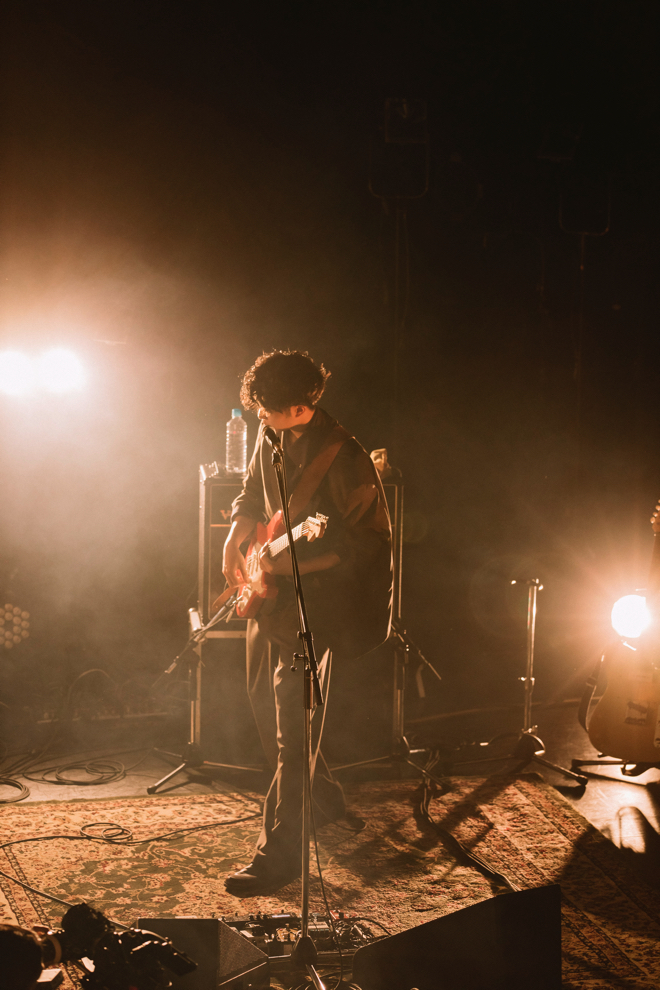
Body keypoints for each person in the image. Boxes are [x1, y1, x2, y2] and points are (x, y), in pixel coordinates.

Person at [222, 349, 392, 896]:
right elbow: (252, 491)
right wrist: (236, 536)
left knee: (292, 736)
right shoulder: (269, 430)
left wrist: (296, 563)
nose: (261, 418)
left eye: (269, 411)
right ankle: (324, 799)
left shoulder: (347, 459)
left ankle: (279, 856)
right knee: (261, 707)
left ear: (301, 407)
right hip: (271, 599)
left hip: (317, 606)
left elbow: (367, 545)